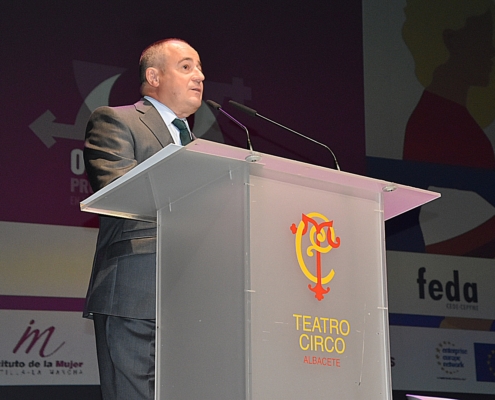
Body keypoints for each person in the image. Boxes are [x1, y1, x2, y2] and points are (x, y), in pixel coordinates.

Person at [83, 38, 205, 400]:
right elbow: (119, 188)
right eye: (186, 67)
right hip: (137, 289)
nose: (198, 76)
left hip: (196, 294)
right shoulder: (115, 120)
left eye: (200, 69)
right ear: (153, 75)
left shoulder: (199, 146)